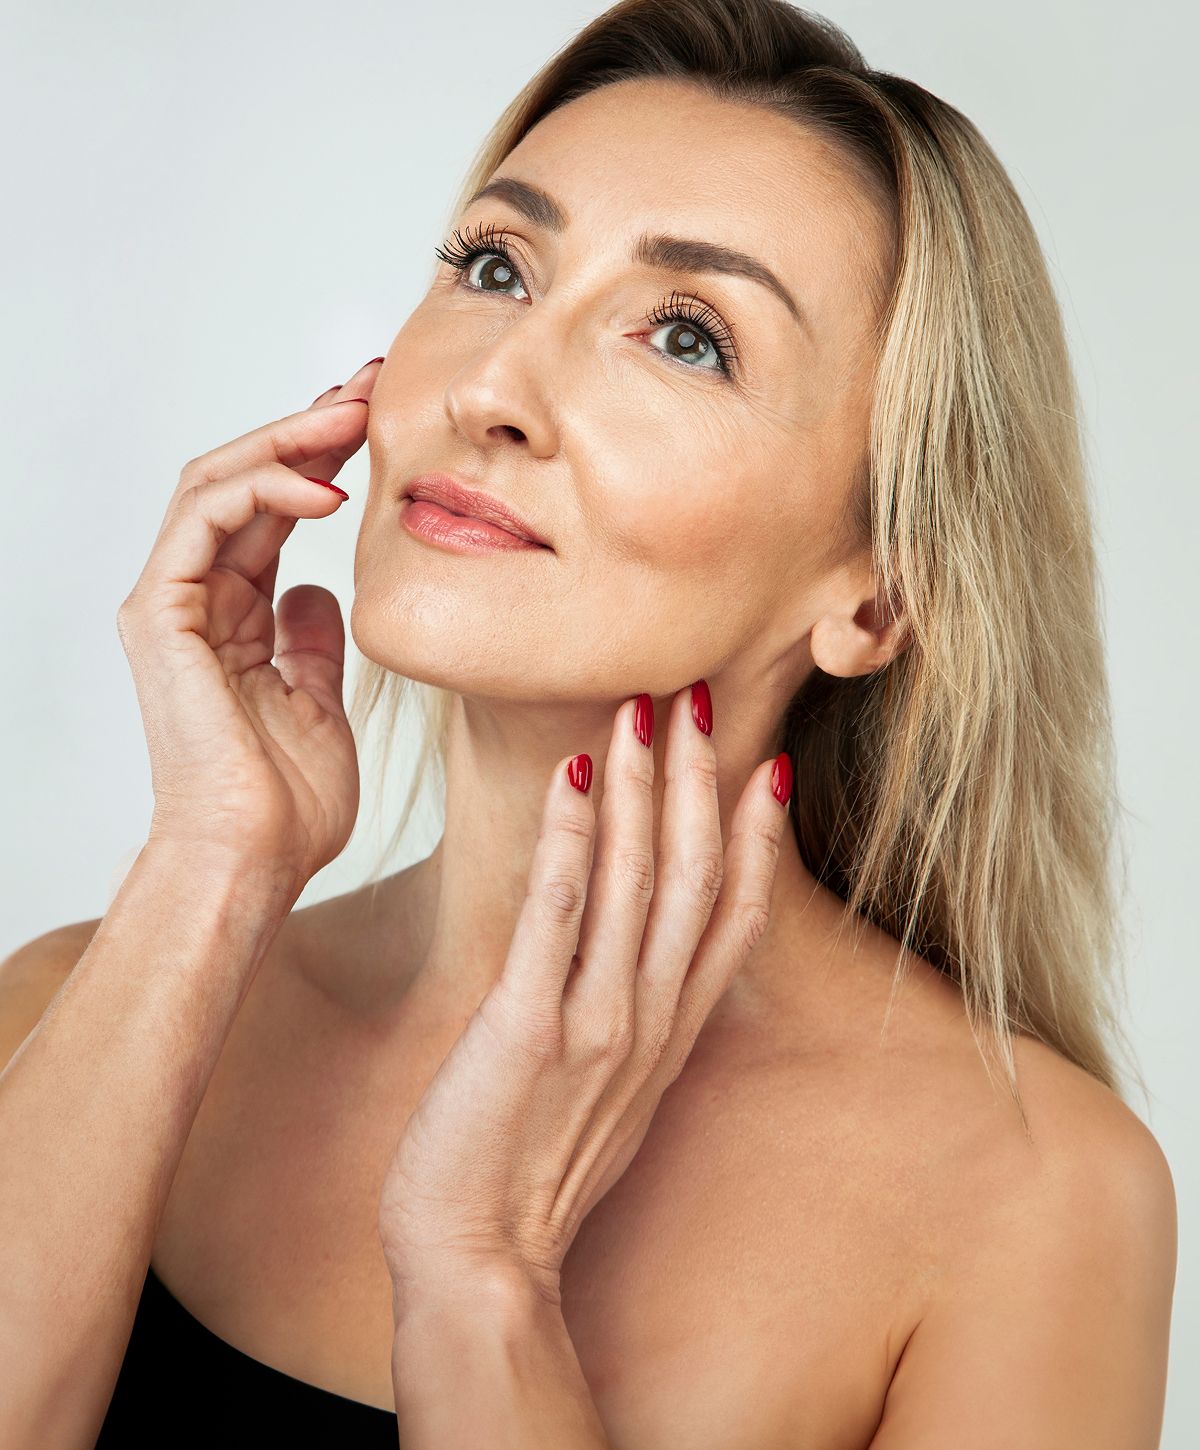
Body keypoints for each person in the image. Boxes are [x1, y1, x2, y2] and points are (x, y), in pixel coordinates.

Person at [0, 0, 1177, 1445]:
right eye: (494, 265)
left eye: (685, 336)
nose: (491, 388)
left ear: (874, 599)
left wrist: (483, 1275)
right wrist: (209, 860)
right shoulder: (70, 1008)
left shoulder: (1030, 1197)